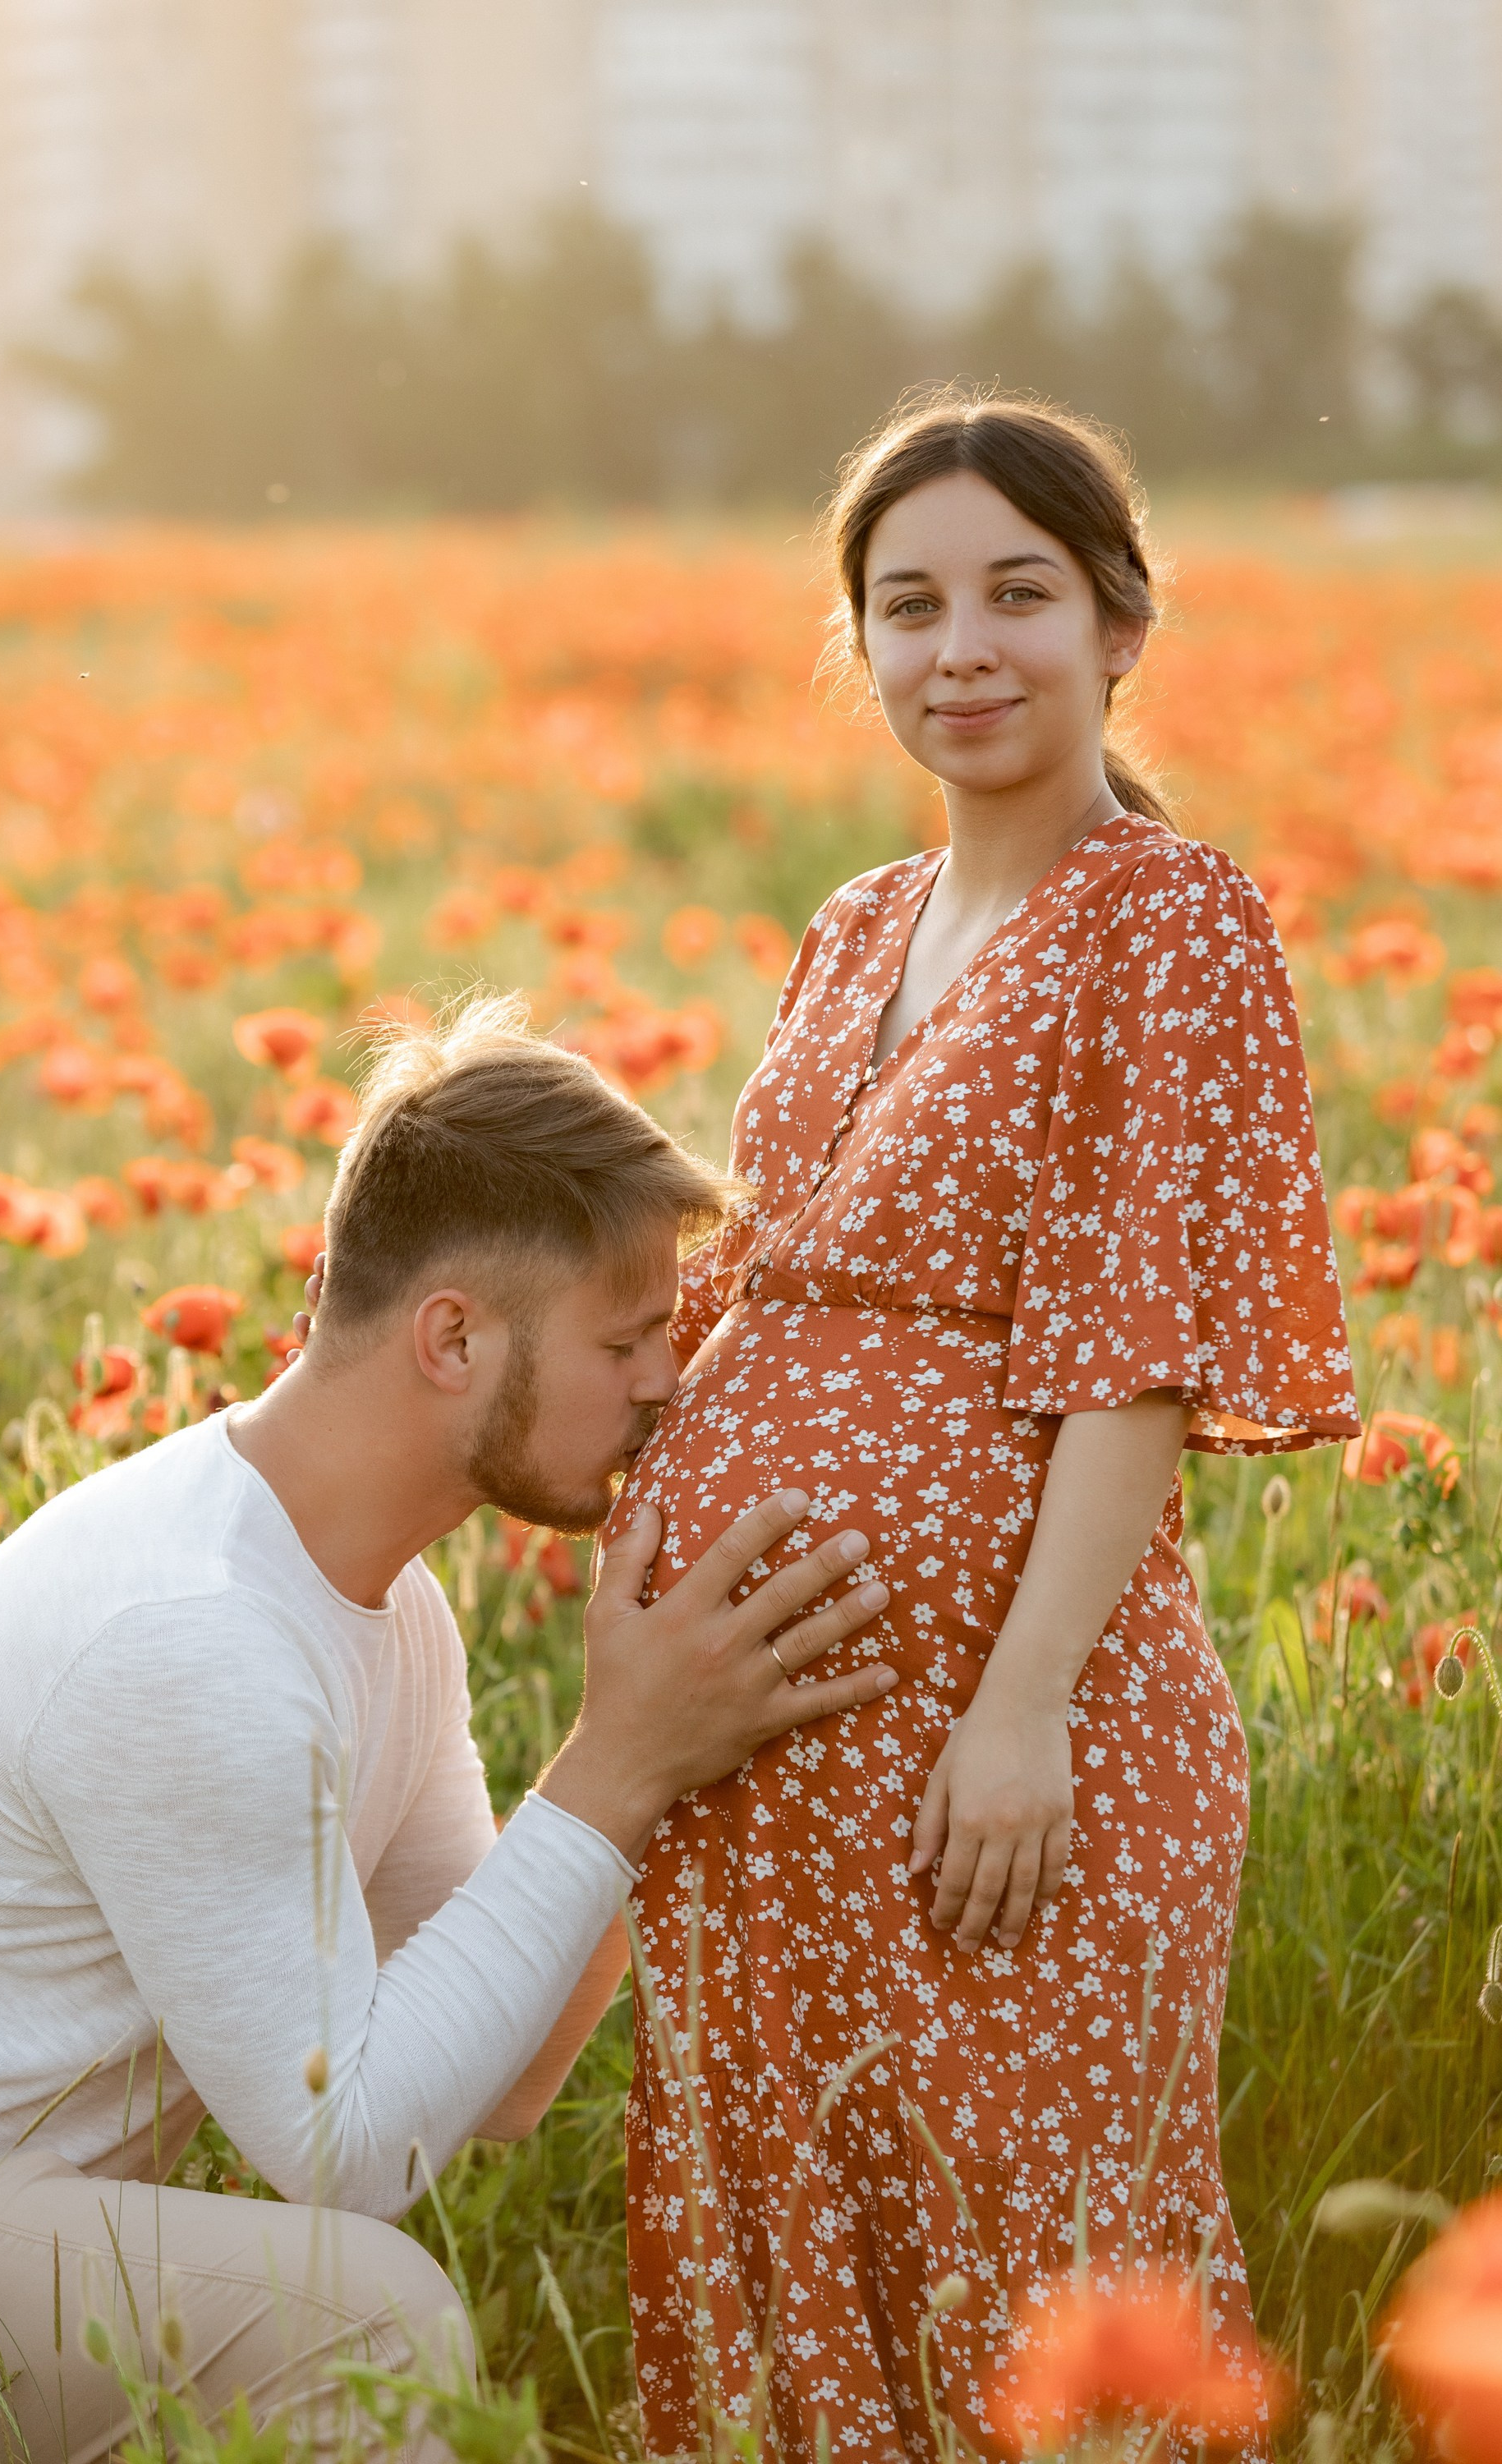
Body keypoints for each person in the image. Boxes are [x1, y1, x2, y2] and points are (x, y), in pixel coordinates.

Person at [612, 395, 1361, 2461]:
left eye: (1017, 594)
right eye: (909, 602)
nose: (963, 647)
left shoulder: (1168, 915)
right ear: (860, 645)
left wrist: (1020, 1706)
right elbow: (763, 1276)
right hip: (770, 1738)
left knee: (1026, 2251)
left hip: (1010, 1734)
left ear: (1119, 622)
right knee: (806, 2208)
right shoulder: (857, 922)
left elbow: (1126, 1353)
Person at [0, 1000, 898, 2460]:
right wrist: (622, 1758)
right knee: (365, 2313)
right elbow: (348, 2152)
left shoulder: (386, 1611)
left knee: (342, 2312)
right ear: (453, 1337)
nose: (671, 1380)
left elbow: (498, 2084)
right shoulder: (195, 1632)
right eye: (631, 1337)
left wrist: (670, 1759)